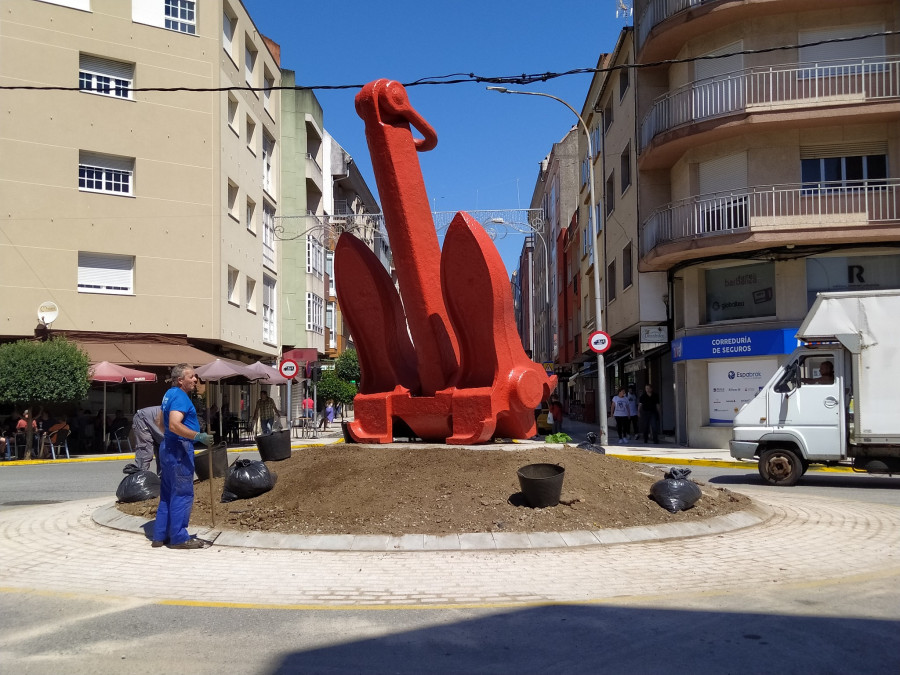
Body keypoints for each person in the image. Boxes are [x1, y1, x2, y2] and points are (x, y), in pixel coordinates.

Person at [152, 364, 212, 550]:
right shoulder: (180, 398)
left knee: (167, 494)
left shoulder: (168, 394)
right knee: (183, 493)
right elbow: (174, 424)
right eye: (192, 377)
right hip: (179, 450)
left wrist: (169, 437)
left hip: (167, 447)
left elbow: (160, 422)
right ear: (181, 380)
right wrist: (197, 436)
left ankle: (159, 536)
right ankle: (178, 537)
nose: (195, 380)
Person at [132, 405, 163, 474]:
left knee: (163, 450)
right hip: (143, 419)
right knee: (145, 450)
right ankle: (141, 476)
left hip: (156, 423)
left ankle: (163, 479)